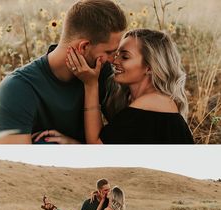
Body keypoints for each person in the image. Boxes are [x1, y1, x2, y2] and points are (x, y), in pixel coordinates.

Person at [0, 0, 127, 144]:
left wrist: (75, 147)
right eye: (109, 52)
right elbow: (13, 163)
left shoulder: (101, 74)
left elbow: (129, 141)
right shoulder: (17, 88)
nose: (114, 60)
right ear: (84, 47)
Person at [36, 29, 194, 144]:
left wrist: (90, 84)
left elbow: (98, 149)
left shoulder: (152, 102)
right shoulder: (140, 101)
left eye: (124, 56)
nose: (115, 61)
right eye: (116, 54)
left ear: (150, 67)